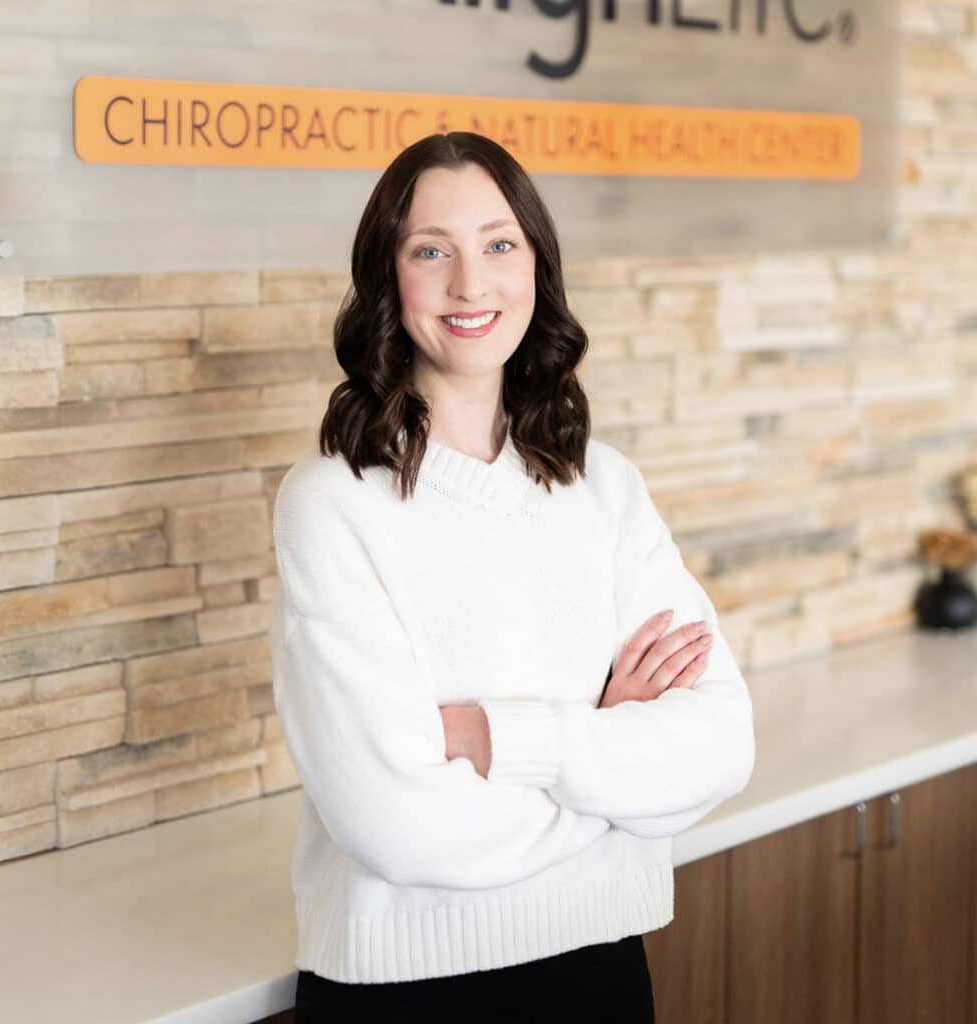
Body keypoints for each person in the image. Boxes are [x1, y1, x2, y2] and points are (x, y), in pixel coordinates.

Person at [268, 131, 756, 1023]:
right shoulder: (332, 503)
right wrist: (610, 754)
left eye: (500, 244)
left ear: (537, 265)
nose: (471, 284)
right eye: (431, 251)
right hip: (408, 998)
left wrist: (502, 740)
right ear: (388, 278)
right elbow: (398, 825)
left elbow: (720, 745)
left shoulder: (603, 487)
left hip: (605, 974)